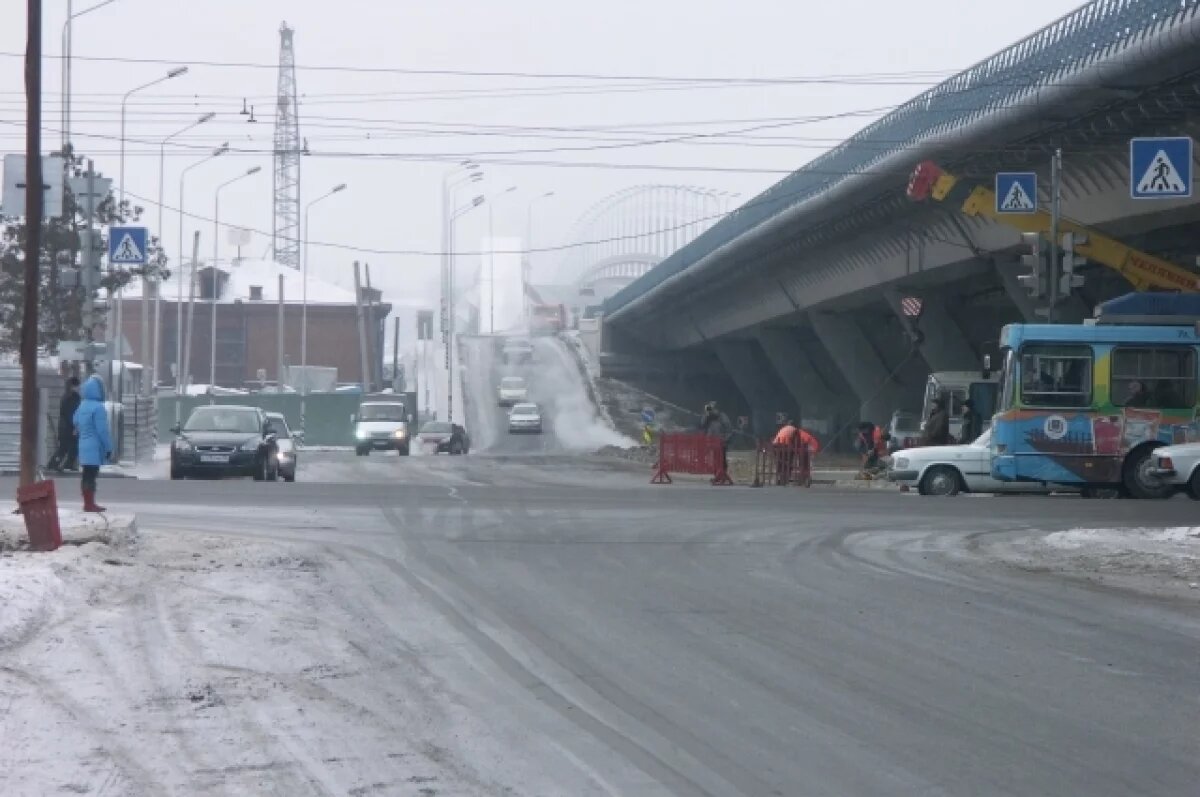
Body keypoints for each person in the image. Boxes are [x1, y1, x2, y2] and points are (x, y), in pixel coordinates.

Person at [73, 375, 112, 513]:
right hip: (94, 447)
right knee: (91, 475)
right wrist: (108, 447)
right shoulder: (98, 408)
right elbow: (102, 431)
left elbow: (75, 422)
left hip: (82, 445)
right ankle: (90, 504)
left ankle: (87, 502)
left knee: (86, 475)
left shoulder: (82, 406)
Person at [48, 376, 81, 471]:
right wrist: (75, 427)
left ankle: (63, 464)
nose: (79, 388)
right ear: (73, 386)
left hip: (63, 426)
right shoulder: (73, 397)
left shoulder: (65, 396)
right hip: (68, 427)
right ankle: (55, 464)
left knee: (67, 447)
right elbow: (72, 413)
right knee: (66, 447)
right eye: (78, 386)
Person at [701, 402, 733, 473]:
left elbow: (728, 429)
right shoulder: (709, 418)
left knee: (722, 459)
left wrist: (725, 439)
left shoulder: (722, 417)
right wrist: (706, 414)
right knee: (715, 459)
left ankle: (723, 474)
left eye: (712, 409)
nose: (711, 411)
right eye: (710, 409)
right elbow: (702, 425)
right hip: (713, 443)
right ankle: (716, 474)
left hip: (722, 442)